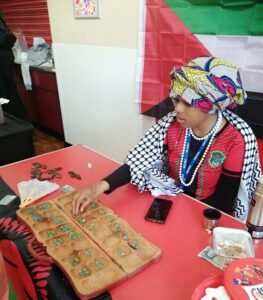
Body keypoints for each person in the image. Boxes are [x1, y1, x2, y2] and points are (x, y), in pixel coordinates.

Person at [72, 56, 262, 222]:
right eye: (176, 100)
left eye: (187, 103)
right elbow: (140, 160)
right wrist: (98, 187)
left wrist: (179, 214)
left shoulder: (236, 139)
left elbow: (222, 201)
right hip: (167, 204)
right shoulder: (171, 124)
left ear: (211, 105)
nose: (177, 109)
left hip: (204, 217)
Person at [0, 12, 27, 120]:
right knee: (7, 96)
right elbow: (4, 40)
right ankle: (18, 125)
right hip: (2, 64)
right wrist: (14, 35)